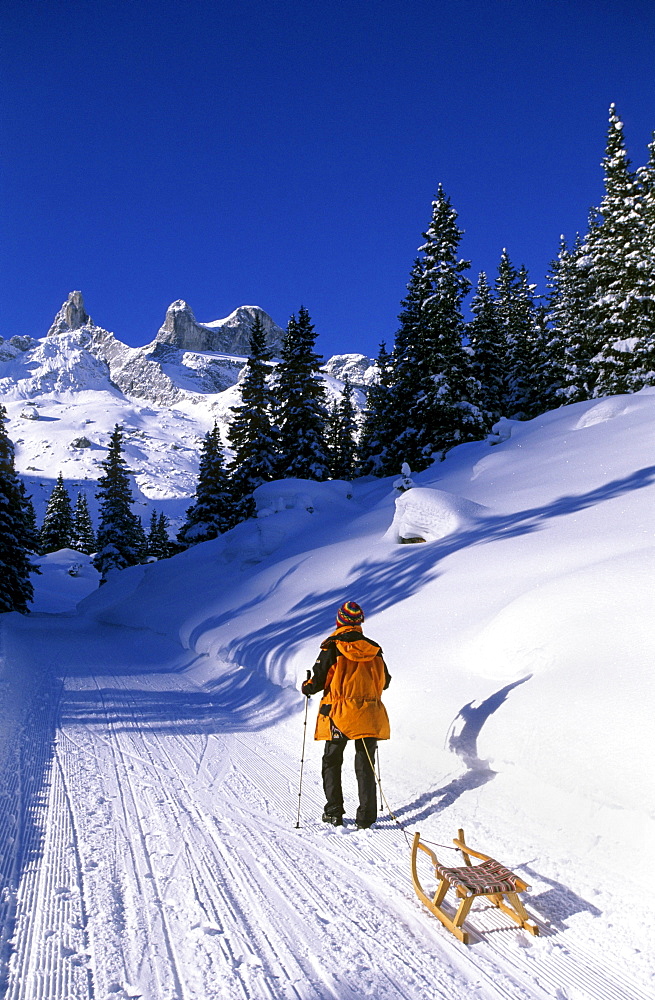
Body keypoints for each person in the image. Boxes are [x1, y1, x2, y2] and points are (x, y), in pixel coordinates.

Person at [302, 601, 391, 829]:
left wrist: (307, 685)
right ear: (359, 622)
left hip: (339, 714)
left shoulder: (332, 647)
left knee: (332, 760)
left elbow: (317, 683)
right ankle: (366, 817)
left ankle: (334, 812)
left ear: (340, 620)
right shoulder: (374, 648)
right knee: (365, 764)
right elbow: (386, 682)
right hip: (369, 714)